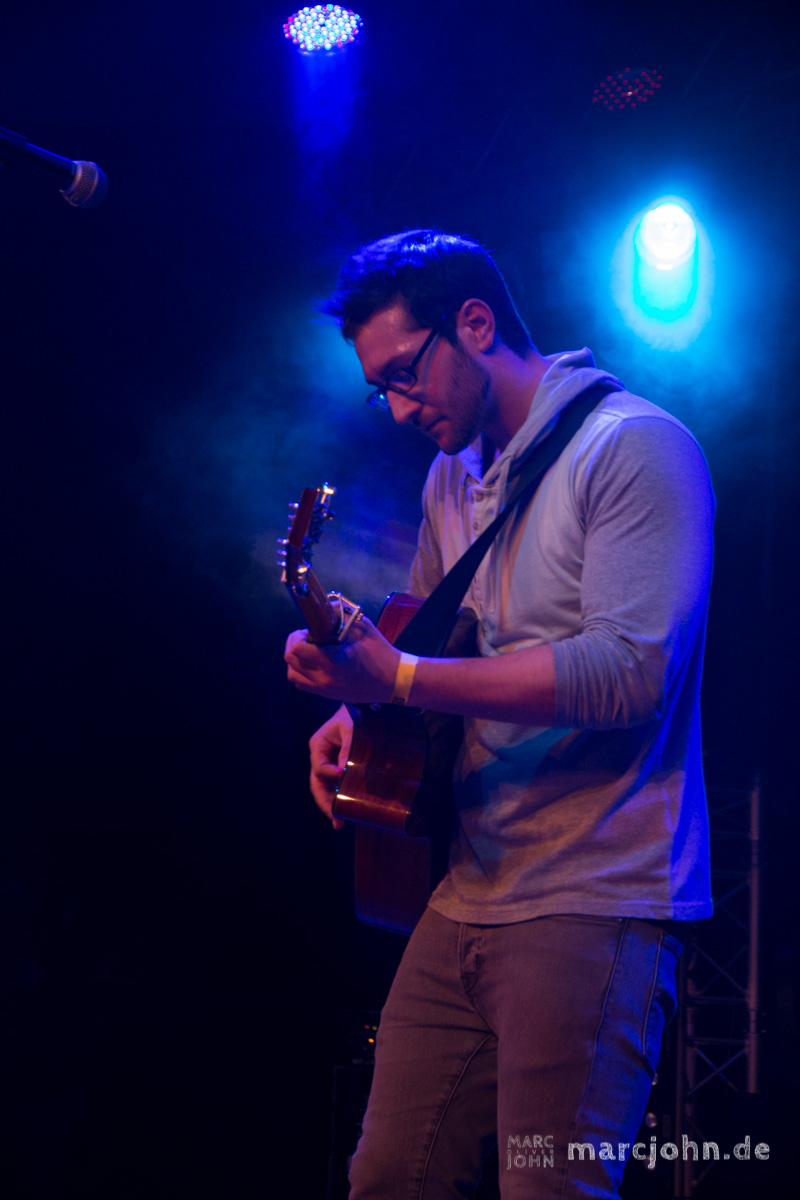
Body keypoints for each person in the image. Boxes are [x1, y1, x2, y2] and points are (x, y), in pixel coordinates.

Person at [284, 230, 714, 1199]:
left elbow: (628, 674)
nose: (400, 409)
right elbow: (432, 651)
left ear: (474, 324)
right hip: (466, 889)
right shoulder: (452, 474)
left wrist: (398, 679)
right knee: (386, 1180)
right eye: (381, 390)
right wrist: (361, 705)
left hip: (593, 893)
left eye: (405, 373)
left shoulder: (635, 448)